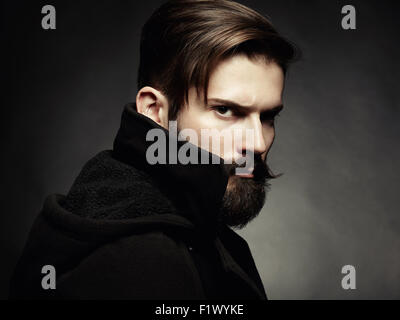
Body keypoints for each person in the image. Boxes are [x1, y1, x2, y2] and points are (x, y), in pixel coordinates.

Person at [10, 0, 299, 299]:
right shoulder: (143, 262)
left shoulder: (185, 232)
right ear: (153, 111)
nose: (257, 143)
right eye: (225, 110)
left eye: (267, 117)